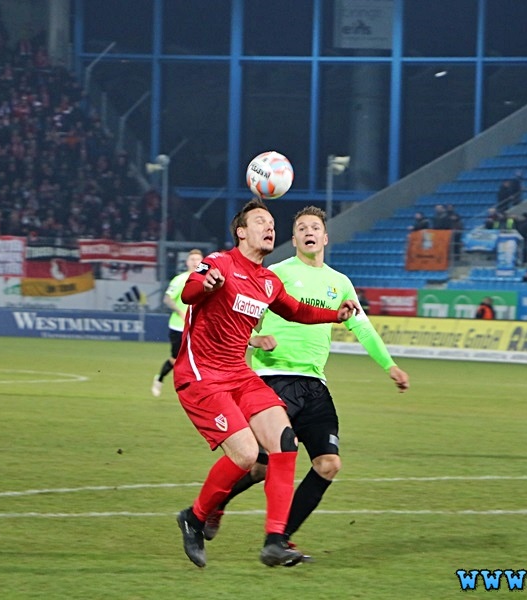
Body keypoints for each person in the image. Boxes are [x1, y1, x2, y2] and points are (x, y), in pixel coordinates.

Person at [201, 205, 409, 557]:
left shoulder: (339, 282)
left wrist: (389, 366)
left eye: (315, 226)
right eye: (301, 227)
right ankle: (211, 508)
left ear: (325, 237)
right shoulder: (275, 274)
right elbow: (239, 311)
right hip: (272, 378)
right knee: (260, 466)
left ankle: (279, 540)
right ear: (294, 238)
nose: (309, 231)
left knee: (328, 464)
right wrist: (253, 340)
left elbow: (361, 326)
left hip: (314, 384)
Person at [172, 198, 361, 568]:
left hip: (238, 373)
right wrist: (204, 283)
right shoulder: (220, 263)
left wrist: (334, 315)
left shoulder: (268, 280)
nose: (269, 227)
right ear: (241, 232)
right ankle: (194, 518)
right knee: (244, 455)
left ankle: (276, 539)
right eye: (260, 221)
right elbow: (189, 293)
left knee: (284, 441)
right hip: (202, 374)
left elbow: (296, 310)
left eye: (271, 222)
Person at [151, 248, 203, 397]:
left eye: (198, 260)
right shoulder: (180, 280)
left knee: (198, 359)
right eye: (192, 260)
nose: (195, 262)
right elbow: (167, 299)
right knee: (176, 360)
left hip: (197, 328)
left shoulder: (205, 280)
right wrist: (180, 311)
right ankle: (159, 379)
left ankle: (195, 390)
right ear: (187, 262)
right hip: (178, 327)